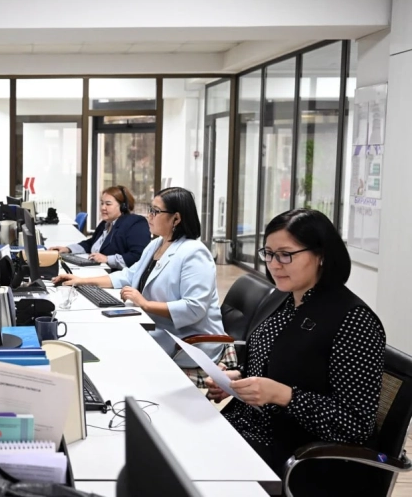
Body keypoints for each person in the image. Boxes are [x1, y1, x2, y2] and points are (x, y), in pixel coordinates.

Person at [207, 209, 385, 496]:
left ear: (321, 255)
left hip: (301, 457)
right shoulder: (282, 298)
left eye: (286, 255)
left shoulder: (353, 321)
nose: (274, 265)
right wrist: (235, 380)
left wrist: (284, 396)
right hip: (249, 429)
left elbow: (356, 425)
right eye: (269, 254)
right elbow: (273, 365)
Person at [53, 187, 229, 379]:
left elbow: (194, 308)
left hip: (186, 342)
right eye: (150, 210)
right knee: (103, 337)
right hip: (157, 328)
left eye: (155, 211)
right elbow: (129, 275)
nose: (149, 216)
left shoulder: (194, 253)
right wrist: (81, 281)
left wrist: (145, 304)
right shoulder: (157, 244)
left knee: (111, 349)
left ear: (176, 218)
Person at [48, 186, 150, 269]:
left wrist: (107, 259)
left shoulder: (135, 223)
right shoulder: (105, 223)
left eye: (108, 204)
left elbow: (138, 256)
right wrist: (68, 249)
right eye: (102, 203)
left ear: (123, 207)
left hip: (117, 278)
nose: (103, 208)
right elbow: (91, 243)